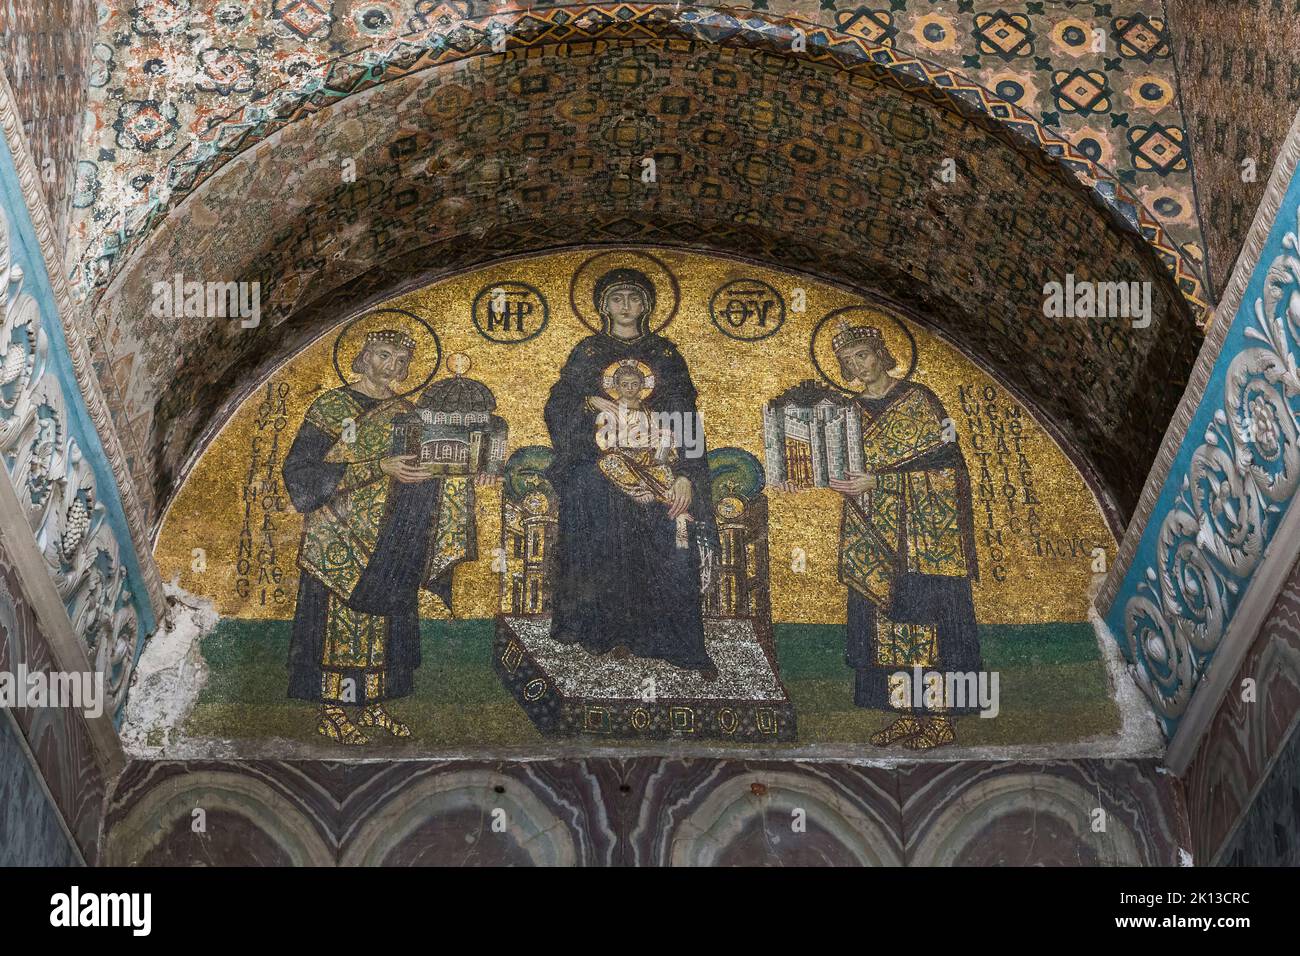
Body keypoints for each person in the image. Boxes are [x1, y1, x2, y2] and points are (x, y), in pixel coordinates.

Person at [778, 322, 981, 749]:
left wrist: (882, 484)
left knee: (928, 624)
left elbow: (950, 472)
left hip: (924, 540)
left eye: (864, 355)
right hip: (870, 531)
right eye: (849, 361)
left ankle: (939, 719)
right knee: (885, 625)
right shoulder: (845, 411)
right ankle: (907, 714)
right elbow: (836, 462)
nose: (859, 365)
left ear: (881, 353)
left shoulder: (919, 400)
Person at [282, 329, 482, 743]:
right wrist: (378, 467)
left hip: (391, 538)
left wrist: (455, 476)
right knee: (341, 625)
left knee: (384, 626)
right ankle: (334, 711)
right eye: (383, 355)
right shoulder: (332, 406)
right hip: (338, 534)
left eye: (400, 361)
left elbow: (423, 466)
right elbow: (301, 474)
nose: (391, 366)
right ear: (361, 356)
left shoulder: (407, 412)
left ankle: (373, 706)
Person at [543, 268, 718, 677]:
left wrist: (686, 475)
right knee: (590, 500)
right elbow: (558, 406)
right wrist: (589, 403)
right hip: (596, 467)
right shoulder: (587, 352)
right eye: (616, 297)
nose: (625, 305)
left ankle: (671, 640)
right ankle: (602, 632)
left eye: (633, 298)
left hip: (659, 467)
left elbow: (686, 416)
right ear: (603, 305)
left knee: (672, 528)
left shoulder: (665, 353)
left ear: (647, 306)